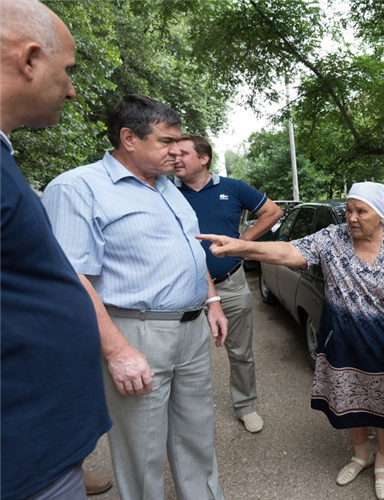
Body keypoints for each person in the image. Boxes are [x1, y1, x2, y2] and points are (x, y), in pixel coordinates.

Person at [41, 95, 228, 500]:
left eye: (179, 142)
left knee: (197, 434)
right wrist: (117, 352)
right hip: (135, 334)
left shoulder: (168, 188)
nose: (177, 151)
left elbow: (191, 249)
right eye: (166, 141)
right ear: (128, 138)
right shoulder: (77, 188)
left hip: (192, 331)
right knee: (141, 451)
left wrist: (211, 301)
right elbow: (73, 279)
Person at [198, 182, 384, 500]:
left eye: (361, 211)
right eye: (349, 210)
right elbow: (288, 251)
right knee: (347, 404)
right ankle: (362, 455)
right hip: (340, 341)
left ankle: (383, 463)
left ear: (381, 214)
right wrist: (239, 247)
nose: (352, 218)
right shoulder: (333, 238)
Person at [0, 1, 112, 498]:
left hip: (40, 449)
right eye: (66, 70)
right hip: (24, 459)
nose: (70, 88)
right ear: (28, 60)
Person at [174, 133, 282, 433]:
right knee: (186, 356)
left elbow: (273, 212)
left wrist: (243, 241)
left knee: (240, 352)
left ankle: (246, 406)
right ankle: (189, 415)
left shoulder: (232, 188)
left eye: (182, 153)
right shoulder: (165, 192)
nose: (175, 158)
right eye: (173, 153)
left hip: (231, 284)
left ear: (203, 158)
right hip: (185, 288)